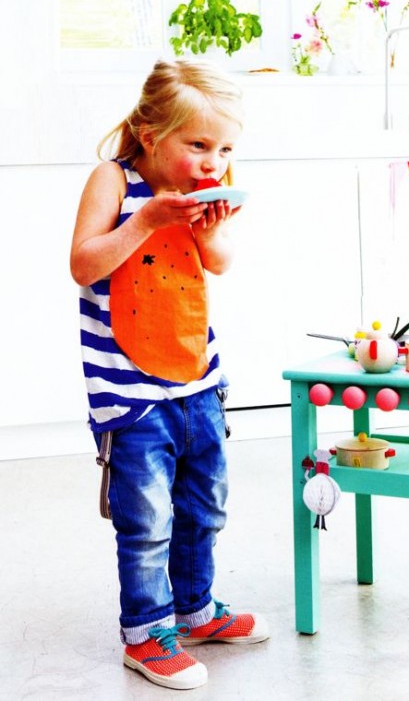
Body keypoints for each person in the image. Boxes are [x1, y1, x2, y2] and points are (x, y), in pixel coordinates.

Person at [70, 59, 269, 691]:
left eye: (225, 148)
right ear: (153, 134)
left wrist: (210, 231)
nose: (215, 161)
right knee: (148, 518)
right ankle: (146, 633)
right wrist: (147, 220)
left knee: (205, 505)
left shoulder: (207, 189)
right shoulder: (113, 180)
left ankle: (195, 610)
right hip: (130, 396)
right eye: (199, 145)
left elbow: (221, 264)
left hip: (198, 380)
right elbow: (83, 264)